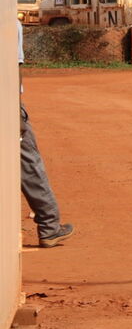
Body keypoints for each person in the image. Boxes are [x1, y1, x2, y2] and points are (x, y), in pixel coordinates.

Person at [18, 20, 74, 248]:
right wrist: (14, 110)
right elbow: (14, 66)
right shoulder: (8, 23)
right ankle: (49, 227)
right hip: (5, 104)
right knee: (28, 164)